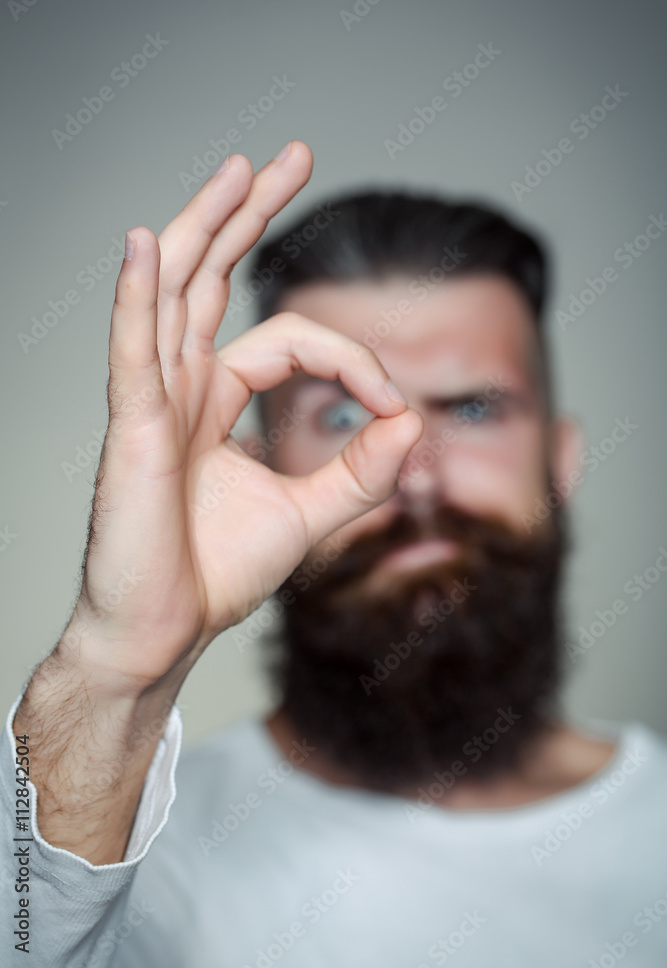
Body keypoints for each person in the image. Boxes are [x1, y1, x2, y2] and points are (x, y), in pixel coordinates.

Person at [2, 140, 666, 968]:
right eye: (346, 417)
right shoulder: (120, 860)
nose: (414, 476)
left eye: (472, 411)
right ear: (256, 464)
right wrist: (113, 669)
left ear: (559, 461)